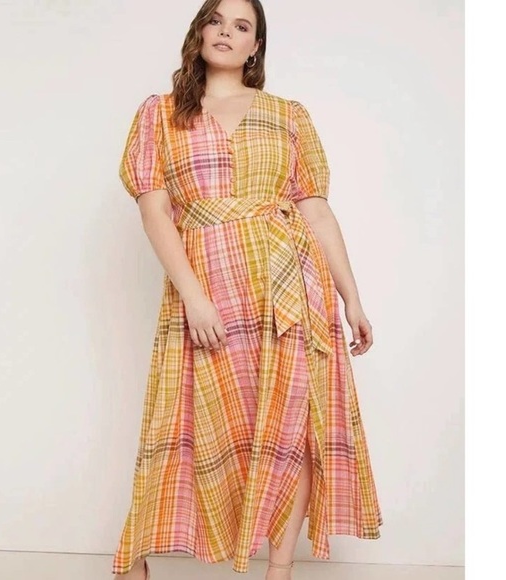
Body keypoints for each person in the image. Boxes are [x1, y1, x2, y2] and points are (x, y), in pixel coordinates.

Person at [112, 0, 382, 578]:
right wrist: (193, 295)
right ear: (199, 31)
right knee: (180, 417)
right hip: (205, 281)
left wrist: (351, 297)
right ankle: (134, 561)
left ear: (255, 46)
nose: (227, 33)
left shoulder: (288, 115)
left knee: (293, 425)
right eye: (216, 21)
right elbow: (155, 212)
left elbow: (315, 210)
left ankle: (278, 570)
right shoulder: (161, 113)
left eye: (242, 27)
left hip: (290, 287)